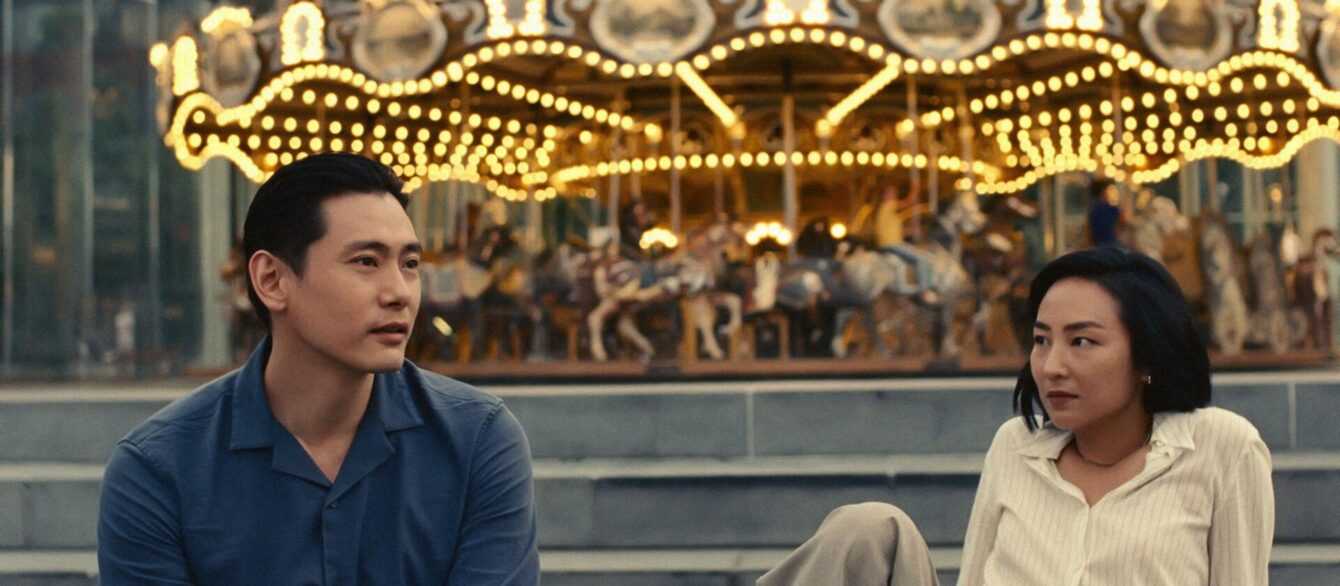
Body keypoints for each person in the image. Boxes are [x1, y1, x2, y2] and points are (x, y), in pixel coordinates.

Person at [97, 153, 540, 585]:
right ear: (272, 280)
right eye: (366, 261)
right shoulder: (159, 470)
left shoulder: (478, 441)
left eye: (409, 264)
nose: (400, 292)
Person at [757, 247, 1274, 586]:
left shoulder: (1221, 448)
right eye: (1042, 340)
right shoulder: (1015, 446)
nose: (1052, 366)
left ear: (1146, 355)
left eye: (1082, 342)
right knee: (869, 528)